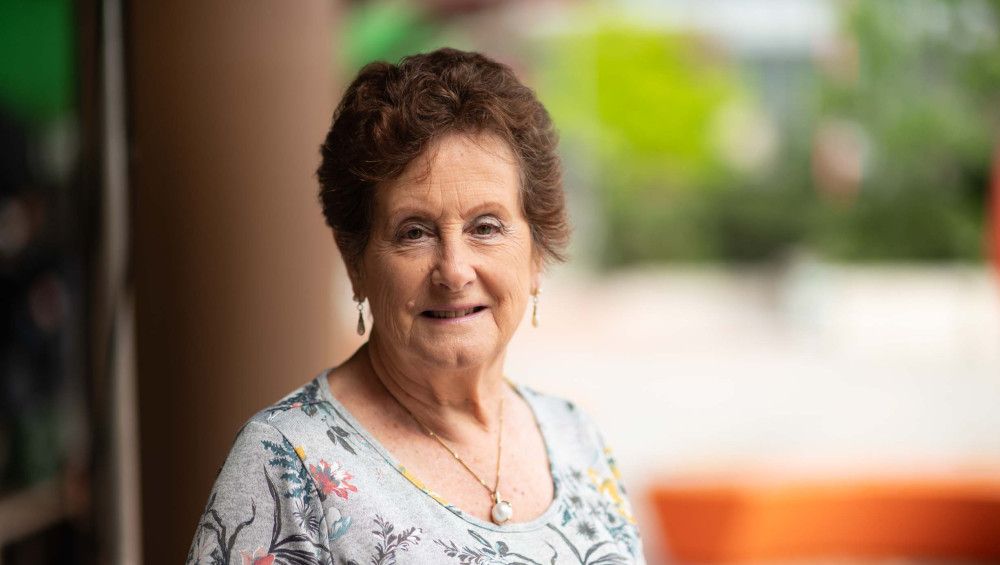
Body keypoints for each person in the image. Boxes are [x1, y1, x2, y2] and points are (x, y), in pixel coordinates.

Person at [185, 48, 646, 565]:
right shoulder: (285, 465)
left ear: (536, 253)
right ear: (355, 261)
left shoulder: (577, 437)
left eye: (486, 227)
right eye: (414, 232)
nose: (453, 270)